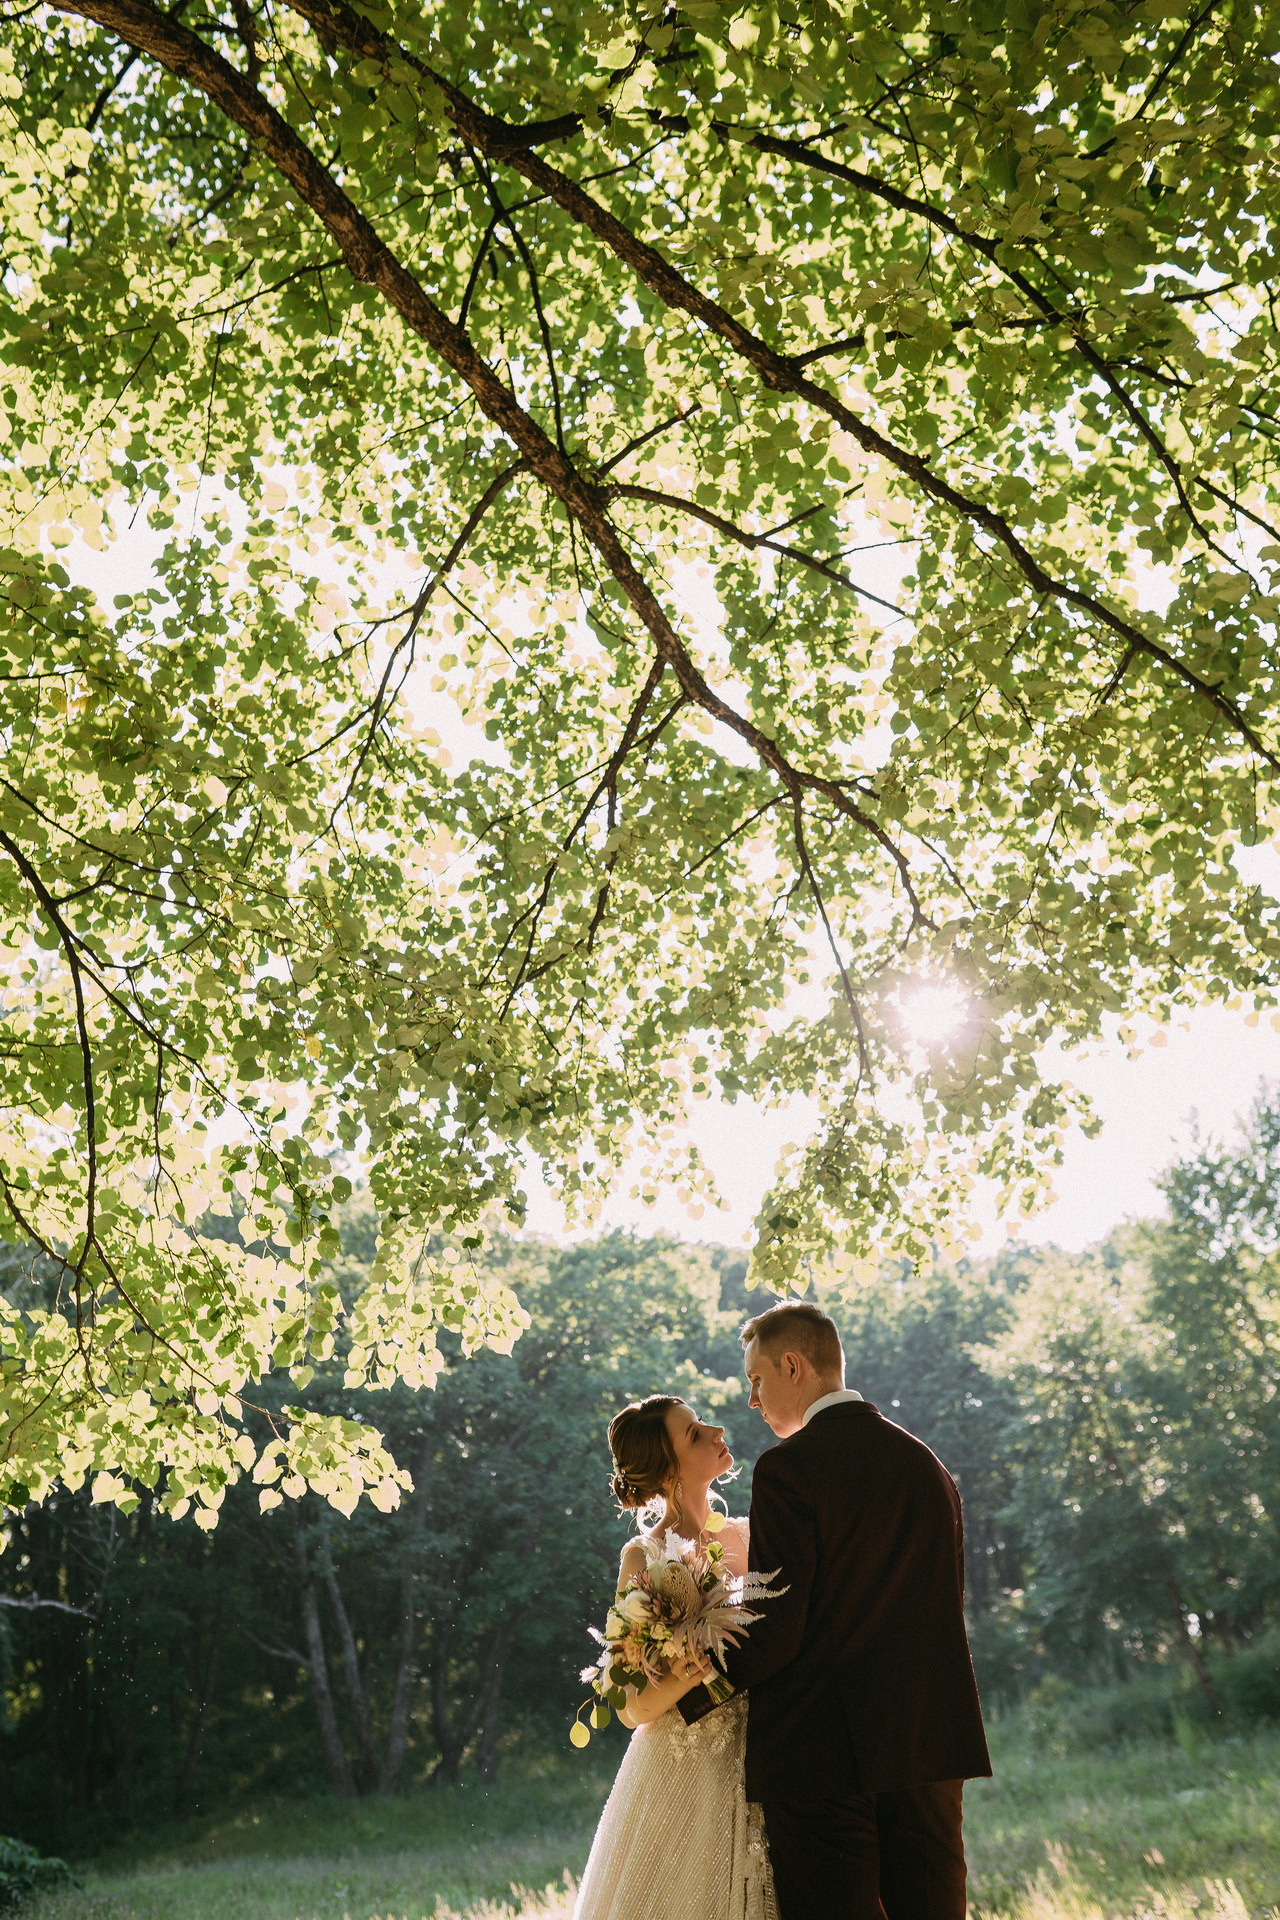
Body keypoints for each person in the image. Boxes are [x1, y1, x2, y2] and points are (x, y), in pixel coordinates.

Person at [574, 1300, 991, 1920]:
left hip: (823, 1755)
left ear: (792, 1367)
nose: (749, 1402)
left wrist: (693, 1696)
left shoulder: (789, 1470)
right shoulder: (927, 1464)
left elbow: (780, 1629)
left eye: (756, 1380)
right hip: (927, 1744)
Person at [572, 1394, 778, 1920]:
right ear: (667, 1472)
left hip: (773, 1754)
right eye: (693, 1433)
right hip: (684, 1772)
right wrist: (681, 1678)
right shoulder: (644, 1558)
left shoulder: (761, 1536)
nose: (716, 1430)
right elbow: (629, 1708)